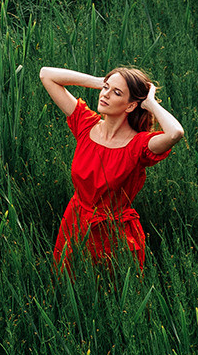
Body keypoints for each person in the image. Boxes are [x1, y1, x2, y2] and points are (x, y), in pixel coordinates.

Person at [37, 65, 185, 272]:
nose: (105, 95)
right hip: (75, 224)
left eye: (116, 93)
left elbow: (175, 133)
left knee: (110, 295)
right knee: (67, 288)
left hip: (114, 236)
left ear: (131, 106)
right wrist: (101, 82)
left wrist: (150, 103)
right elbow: (46, 74)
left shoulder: (139, 145)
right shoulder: (86, 124)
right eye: (105, 88)